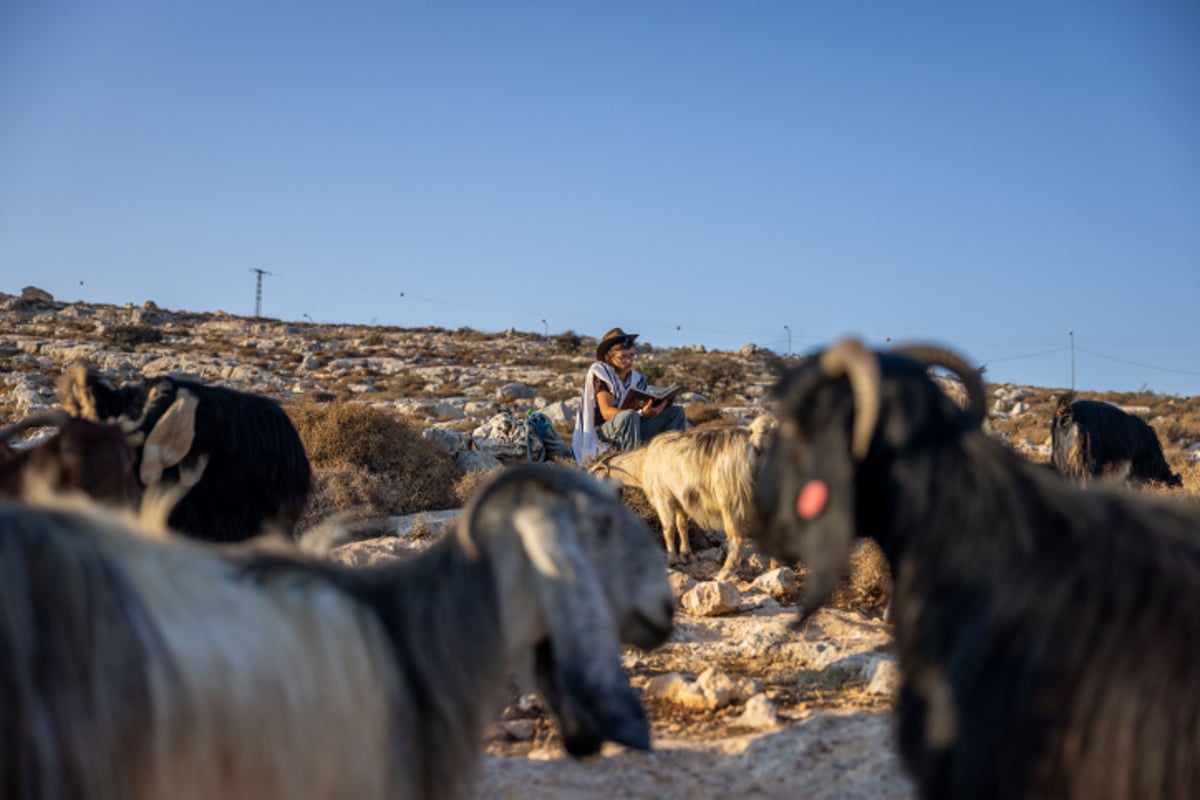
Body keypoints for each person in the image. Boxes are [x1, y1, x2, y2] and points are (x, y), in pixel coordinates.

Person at [572, 327, 687, 464]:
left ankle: (673, 462)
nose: (629, 361)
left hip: (636, 425)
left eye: (632, 355)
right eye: (623, 357)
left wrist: (654, 410)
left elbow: (641, 407)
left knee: (676, 412)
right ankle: (631, 466)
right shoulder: (602, 373)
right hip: (605, 433)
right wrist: (639, 413)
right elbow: (606, 412)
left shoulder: (637, 379)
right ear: (610, 357)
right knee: (629, 415)